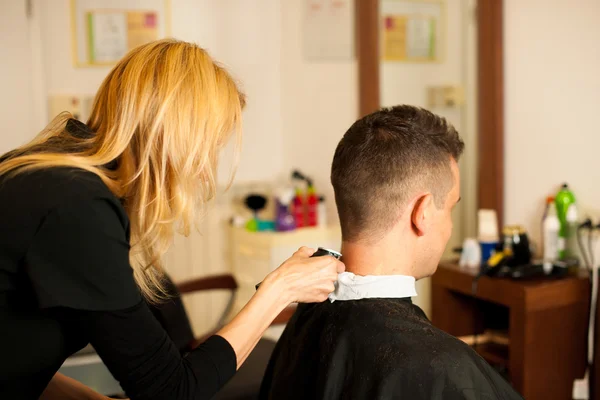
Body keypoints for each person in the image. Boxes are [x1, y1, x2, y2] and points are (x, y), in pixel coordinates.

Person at [0, 39, 344, 400]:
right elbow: (174, 392)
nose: (205, 170)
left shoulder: (44, 169)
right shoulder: (77, 208)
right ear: (178, 136)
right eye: (209, 146)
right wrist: (280, 289)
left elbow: (19, 359)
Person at [259, 105, 524, 400]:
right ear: (421, 213)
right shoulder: (448, 369)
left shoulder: (310, 309)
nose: (449, 227)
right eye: (449, 208)